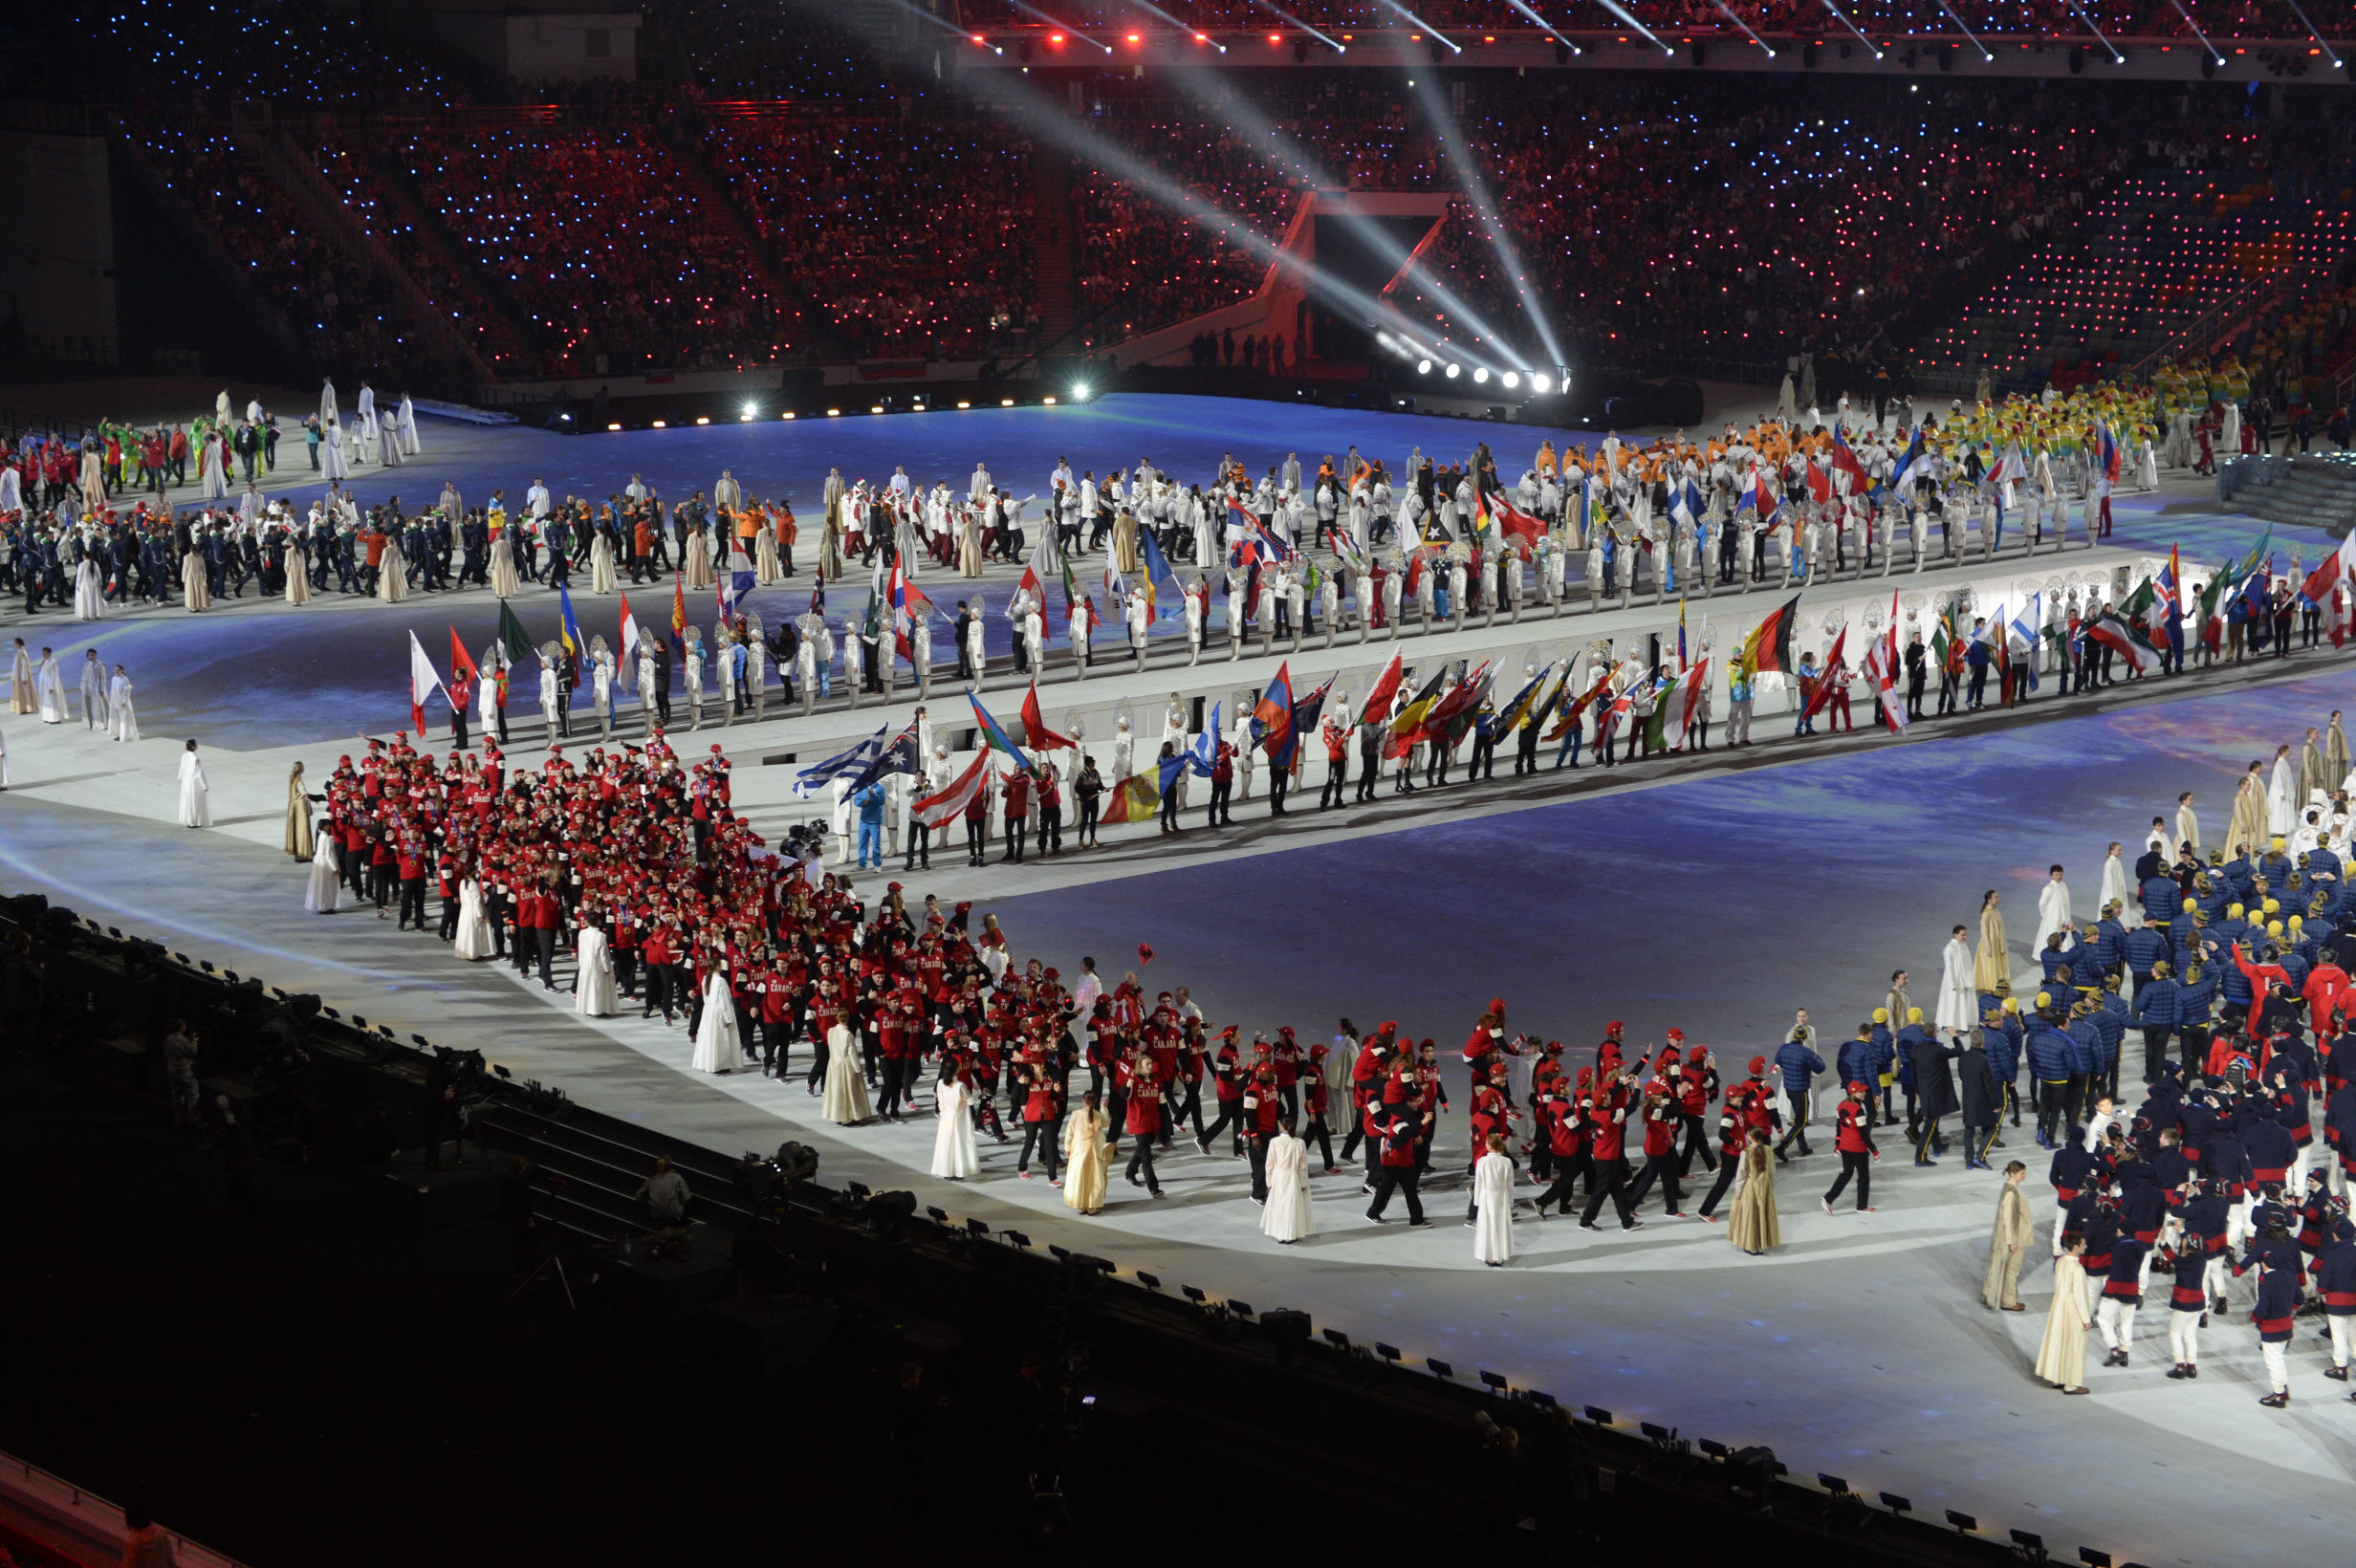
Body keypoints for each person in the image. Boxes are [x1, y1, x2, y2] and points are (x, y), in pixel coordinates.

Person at [2034, 1232, 2094, 1394]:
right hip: (2073, 1310)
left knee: (2059, 1341)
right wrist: (2086, 1319)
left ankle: (2057, 1378)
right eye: (2083, 1244)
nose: (2085, 1246)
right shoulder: (2078, 1269)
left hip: (2058, 1307)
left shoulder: (2060, 1261)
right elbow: (2079, 1296)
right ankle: (2072, 1384)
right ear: (2075, 1246)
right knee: (2074, 1346)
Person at [1982, 1160, 2034, 1310]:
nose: (2024, 1176)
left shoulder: (2013, 1187)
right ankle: (2008, 1302)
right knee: (2012, 1271)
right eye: (2022, 1173)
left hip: (2018, 1236)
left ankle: (2008, 1299)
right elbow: (2008, 1219)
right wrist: (2012, 1241)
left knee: (2011, 1270)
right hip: (2016, 1238)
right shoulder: (2011, 1193)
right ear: (2013, 1174)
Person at [1726, 1126, 1780, 1254]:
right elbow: (1772, 1172)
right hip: (1765, 1187)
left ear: (1749, 1137)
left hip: (1750, 1189)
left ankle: (1751, 1245)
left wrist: (1738, 1192)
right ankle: (1760, 1243)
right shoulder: (1768, 1150)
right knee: (1762, 1216)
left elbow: (1741, 1175)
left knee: (1750, 1217)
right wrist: (1770, 1187)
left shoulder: (1746, 1152)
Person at [1260, 1115, 1314, 1243]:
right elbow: (1303, 1166)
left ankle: (1280, 1234)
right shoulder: (1299, 1142)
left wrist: (1269, 1181)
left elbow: (1269, 1164)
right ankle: (1290, 1234)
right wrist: (1304, 1183)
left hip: (1278, 1177)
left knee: (1279, 1206)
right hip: (1292, 1177)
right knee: (1291, 1206)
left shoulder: (1274, 1142)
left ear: (1281, 1126)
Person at [1061, 1088, 1111, 1215]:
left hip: (1078, 1151)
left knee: (1080, 1177)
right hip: (1093, 1151)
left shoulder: (1076, 1114)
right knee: (1094, 1178)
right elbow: (1106, 1123)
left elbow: (1069, 1132)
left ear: (1083, 1101)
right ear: (1095, 1102)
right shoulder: (1097, 1115)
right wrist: (1104, 1107)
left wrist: (1067, 1148)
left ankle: (1082, 1204)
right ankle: (1092, 1206)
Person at [1472, 1130, 1516, 1265]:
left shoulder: (1482, 1162)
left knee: (1487, 1225)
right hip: (1502, 1197)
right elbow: (1510, 1183)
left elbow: (1479, 1183)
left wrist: (1477, 1200)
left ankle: (1489, 1255)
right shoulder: (1507, 1162)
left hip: (1487, 1197)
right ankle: (1499, 1256)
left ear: (1490, 1146)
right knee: (1500, 1225)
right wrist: (1510, 1200)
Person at [929, 1063, 980, 1180]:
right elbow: (970, 1100)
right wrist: (976, 1090)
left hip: (945, 1116)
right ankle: (958, 1171)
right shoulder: (960, 1085)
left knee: (946, 1143)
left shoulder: (940, 1083)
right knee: (958, 1143)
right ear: (956, 1070)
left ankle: (946, 1170)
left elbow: (940, 1100)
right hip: (958, 1117)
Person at [821, 1018, 872, 1123]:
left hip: (834, 1064)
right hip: (846, 1065)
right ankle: (848, 1118)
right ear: (848, 1019)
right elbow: (852, 1054)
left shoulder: (831, 1031)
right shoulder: (848, 1034)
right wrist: (858, 1069)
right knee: (848, 1092)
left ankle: (838, 1116)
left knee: (837, 1091)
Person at [634, 1155, 690, 1229]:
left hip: (658, 1214)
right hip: (674, 1213)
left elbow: (638, 1196)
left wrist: (649, 1201)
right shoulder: (677, 1177)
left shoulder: (651, 1180)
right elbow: (687, 1197)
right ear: (670, 1166)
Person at [176, 739, 209, 828]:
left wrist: (180, 777)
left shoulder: (184, 755)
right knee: (194, 802)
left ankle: (189, 820)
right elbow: (199, 773)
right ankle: (193, 822)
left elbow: (182, 767)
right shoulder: (195, 758)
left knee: (187, 801)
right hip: (194, 783)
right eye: (196, 744)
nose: (198, 745)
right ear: (193, 747)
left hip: (185, 782)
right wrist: (205, 785)